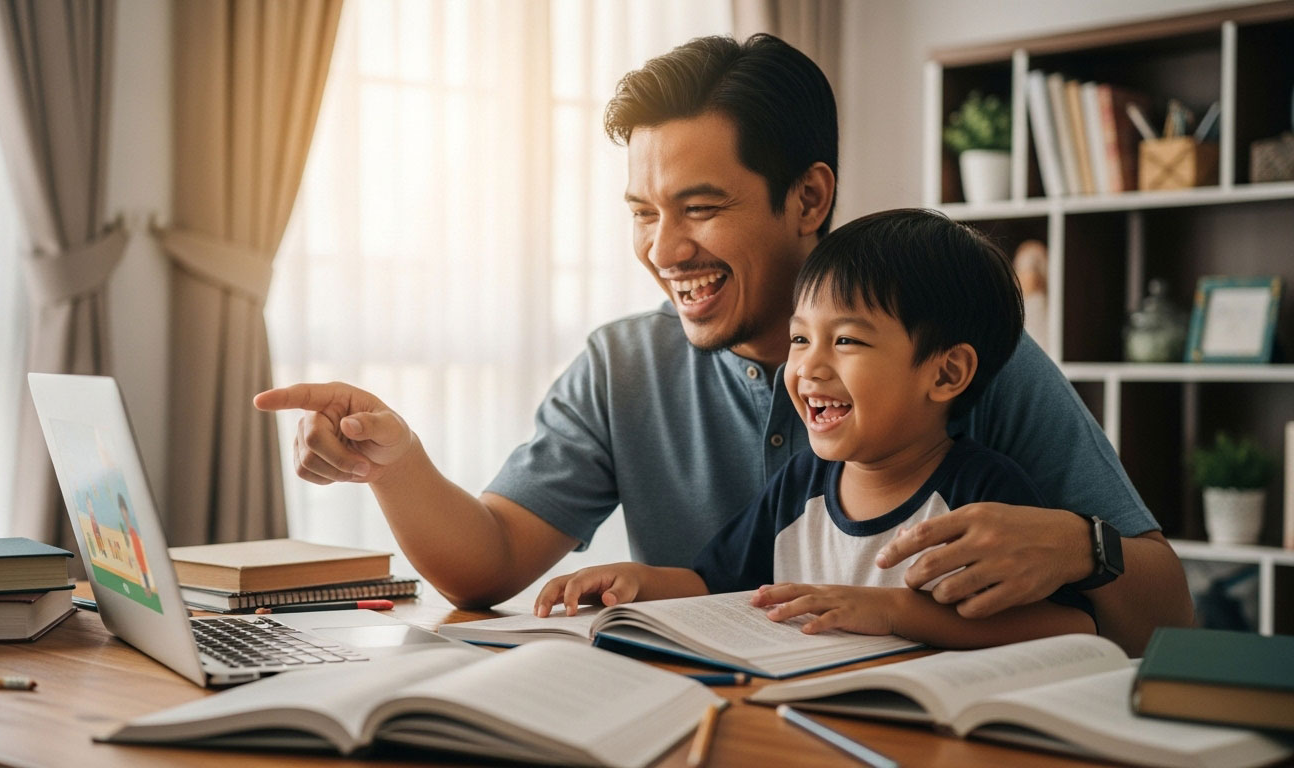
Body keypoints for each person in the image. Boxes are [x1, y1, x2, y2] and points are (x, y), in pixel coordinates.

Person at [253, 34, 1190, 655]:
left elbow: (1164, 615)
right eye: (644, 213)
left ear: (809, 199)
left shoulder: (964, 352)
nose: (664, 251)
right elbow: (488, 564)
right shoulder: (622, 365)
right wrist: (396, 462)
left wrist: (1083, 546)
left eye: (700, 208)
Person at [532, 209, 1095, 648]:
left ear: (946, 372)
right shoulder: (801, 486)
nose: (807, 368)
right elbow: (710, 583)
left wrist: (896, 612)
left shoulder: (984, 494)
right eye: (801, 339)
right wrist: (633, 583)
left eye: (846, 340)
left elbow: (1067, 624)